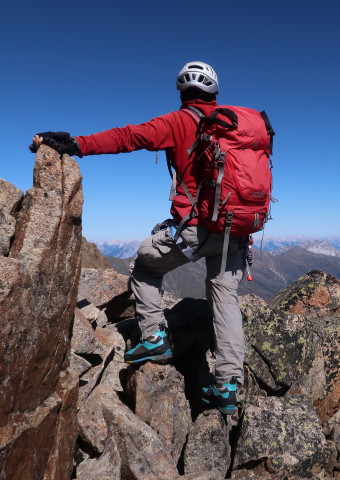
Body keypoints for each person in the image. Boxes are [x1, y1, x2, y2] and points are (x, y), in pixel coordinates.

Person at [30, 61, 246, 415]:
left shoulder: (179, 121)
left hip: (197, 228)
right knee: (225, 300)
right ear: (214, 93)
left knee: (144, 265)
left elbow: (129, 136)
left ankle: (154, 338)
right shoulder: (235, 125)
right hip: (236, 229)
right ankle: (227, 388)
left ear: (182, 94)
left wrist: (76, 144)